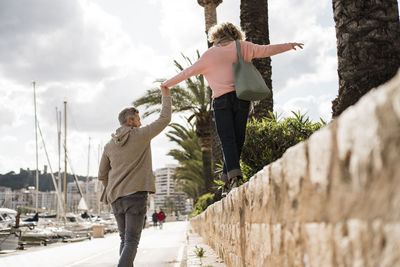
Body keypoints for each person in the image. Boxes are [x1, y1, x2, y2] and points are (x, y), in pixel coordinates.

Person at [162, 22, 303, 192]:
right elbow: (265, 49)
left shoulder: (209, 55)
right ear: (235, 33)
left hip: (221, 102)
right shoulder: (242, 47)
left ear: (215, 36)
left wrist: (166, 84)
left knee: (227, 140)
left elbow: (187, 72)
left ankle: (233, 178)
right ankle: (229, 180)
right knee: (238, 139)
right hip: (241, 98)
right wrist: (289, 46)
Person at [98, 85, 171, 267]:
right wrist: (166, 95)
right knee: (131, 241)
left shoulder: (108, 145)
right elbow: (165, 118)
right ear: (130, 121)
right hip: (135, 196)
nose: (140, 122)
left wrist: (112, 189)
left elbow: (101, 174)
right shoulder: (141, 135)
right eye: (138, 119)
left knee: (124, 239)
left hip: (116, 198)